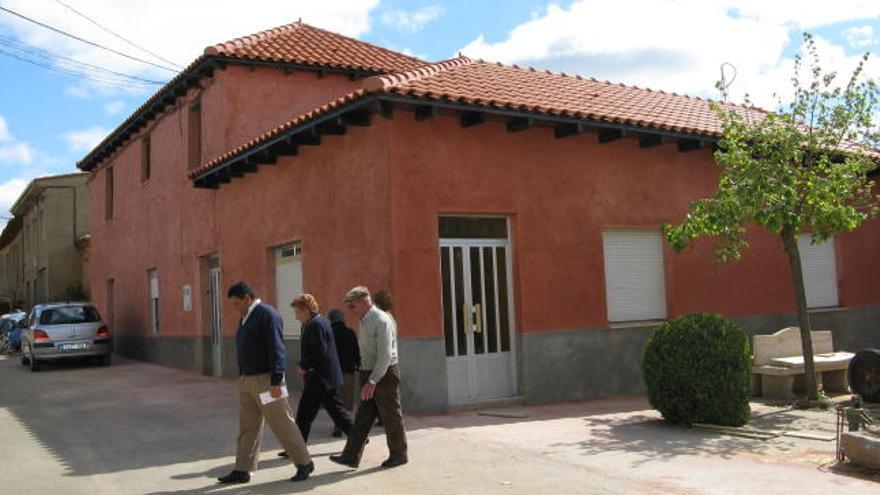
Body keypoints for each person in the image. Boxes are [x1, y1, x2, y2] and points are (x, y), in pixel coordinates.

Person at [217, 282, 314, 484]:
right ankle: (243, 469)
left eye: (236, 303)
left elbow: (277, 348)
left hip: (267, 380)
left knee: (282, 423)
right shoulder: (245, 317)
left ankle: (304, 463)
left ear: (247, 298)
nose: (235, 307)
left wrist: (276, 380)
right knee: (248, 427)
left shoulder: (267, 314)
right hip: (247, 381)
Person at [330, 286, 408, 469]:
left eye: (352, 306)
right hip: (369, 372)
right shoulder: (364, 319)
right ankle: (350, 456)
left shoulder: (381, 320)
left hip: (385, 374)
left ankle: (399, 455)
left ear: (364, 301)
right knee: (363, 417)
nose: (350, 310)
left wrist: (372, 381)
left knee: (391, 416)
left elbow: (385, 355)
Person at [291, 294, 353, 443]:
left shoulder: (315, 325)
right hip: (324, 378)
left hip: (319, 378)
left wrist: (304, 366)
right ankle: (358, 437)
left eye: (297, 312)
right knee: (335, 411)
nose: (296, 317)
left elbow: (320, 352)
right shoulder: (320, 322)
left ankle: (296, 448)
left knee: (305, 413)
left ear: (306, 310)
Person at [328, 308, 360, 437]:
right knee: (346, 399)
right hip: (348, 370)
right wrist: (357, 364)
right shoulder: (350, 333)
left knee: (336, 399)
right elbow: (356, 351)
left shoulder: (329, 333)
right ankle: (345, 424)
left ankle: (338, 425)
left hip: (333, 371)